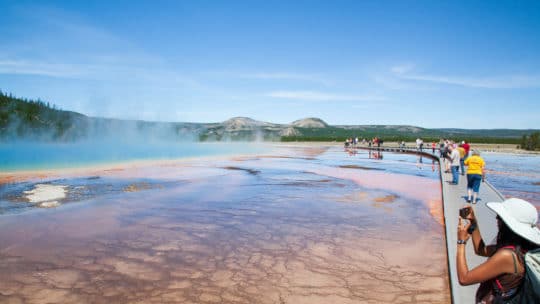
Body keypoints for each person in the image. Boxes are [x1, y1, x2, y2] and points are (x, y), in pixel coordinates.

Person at [457, 198, 540, 303]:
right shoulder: (522, 247)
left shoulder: (507, 256)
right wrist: (473, 222)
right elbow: (481, 250)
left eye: (500, 217)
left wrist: (461, 242)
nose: (496, 217)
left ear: (507, 224)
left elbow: (464, 279)